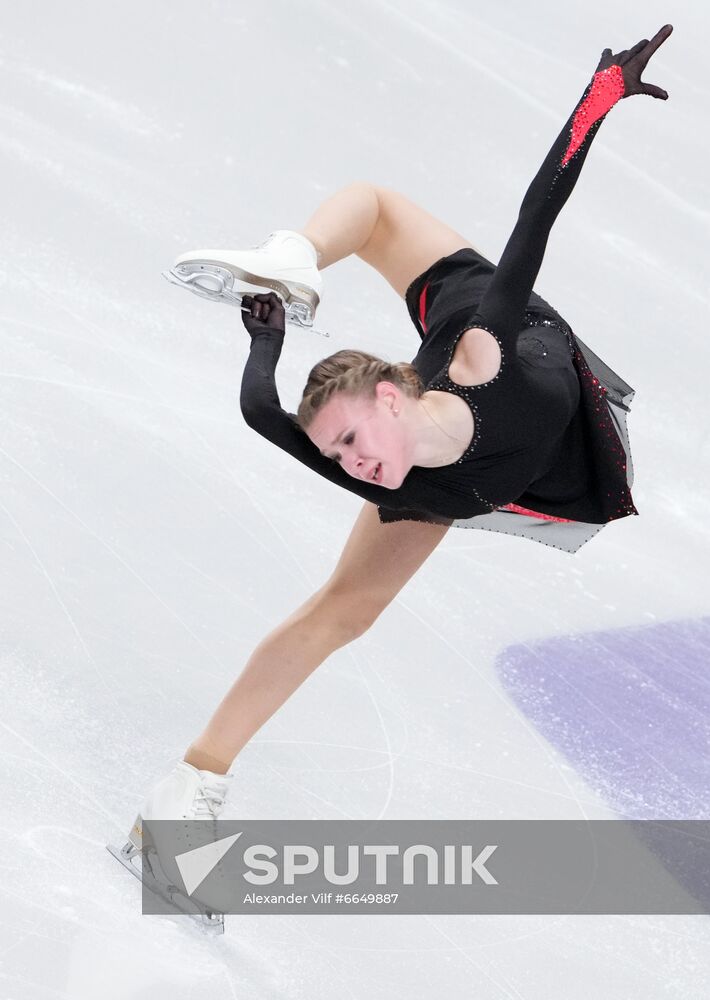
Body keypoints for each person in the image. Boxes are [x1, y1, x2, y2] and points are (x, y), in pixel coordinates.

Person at [113, 27, 673, 862]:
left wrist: (599, 96)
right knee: (344, 612)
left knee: (373, 208)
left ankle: (294, 255)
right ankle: (186, 792)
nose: (351, 466)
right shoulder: (399, 484)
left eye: (349, 441)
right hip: (464, 463)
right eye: (337, 457)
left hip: (502, 333)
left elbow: (536, 218)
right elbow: (265, 416)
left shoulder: (483, 350)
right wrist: (264, 350)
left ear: (388, 393)